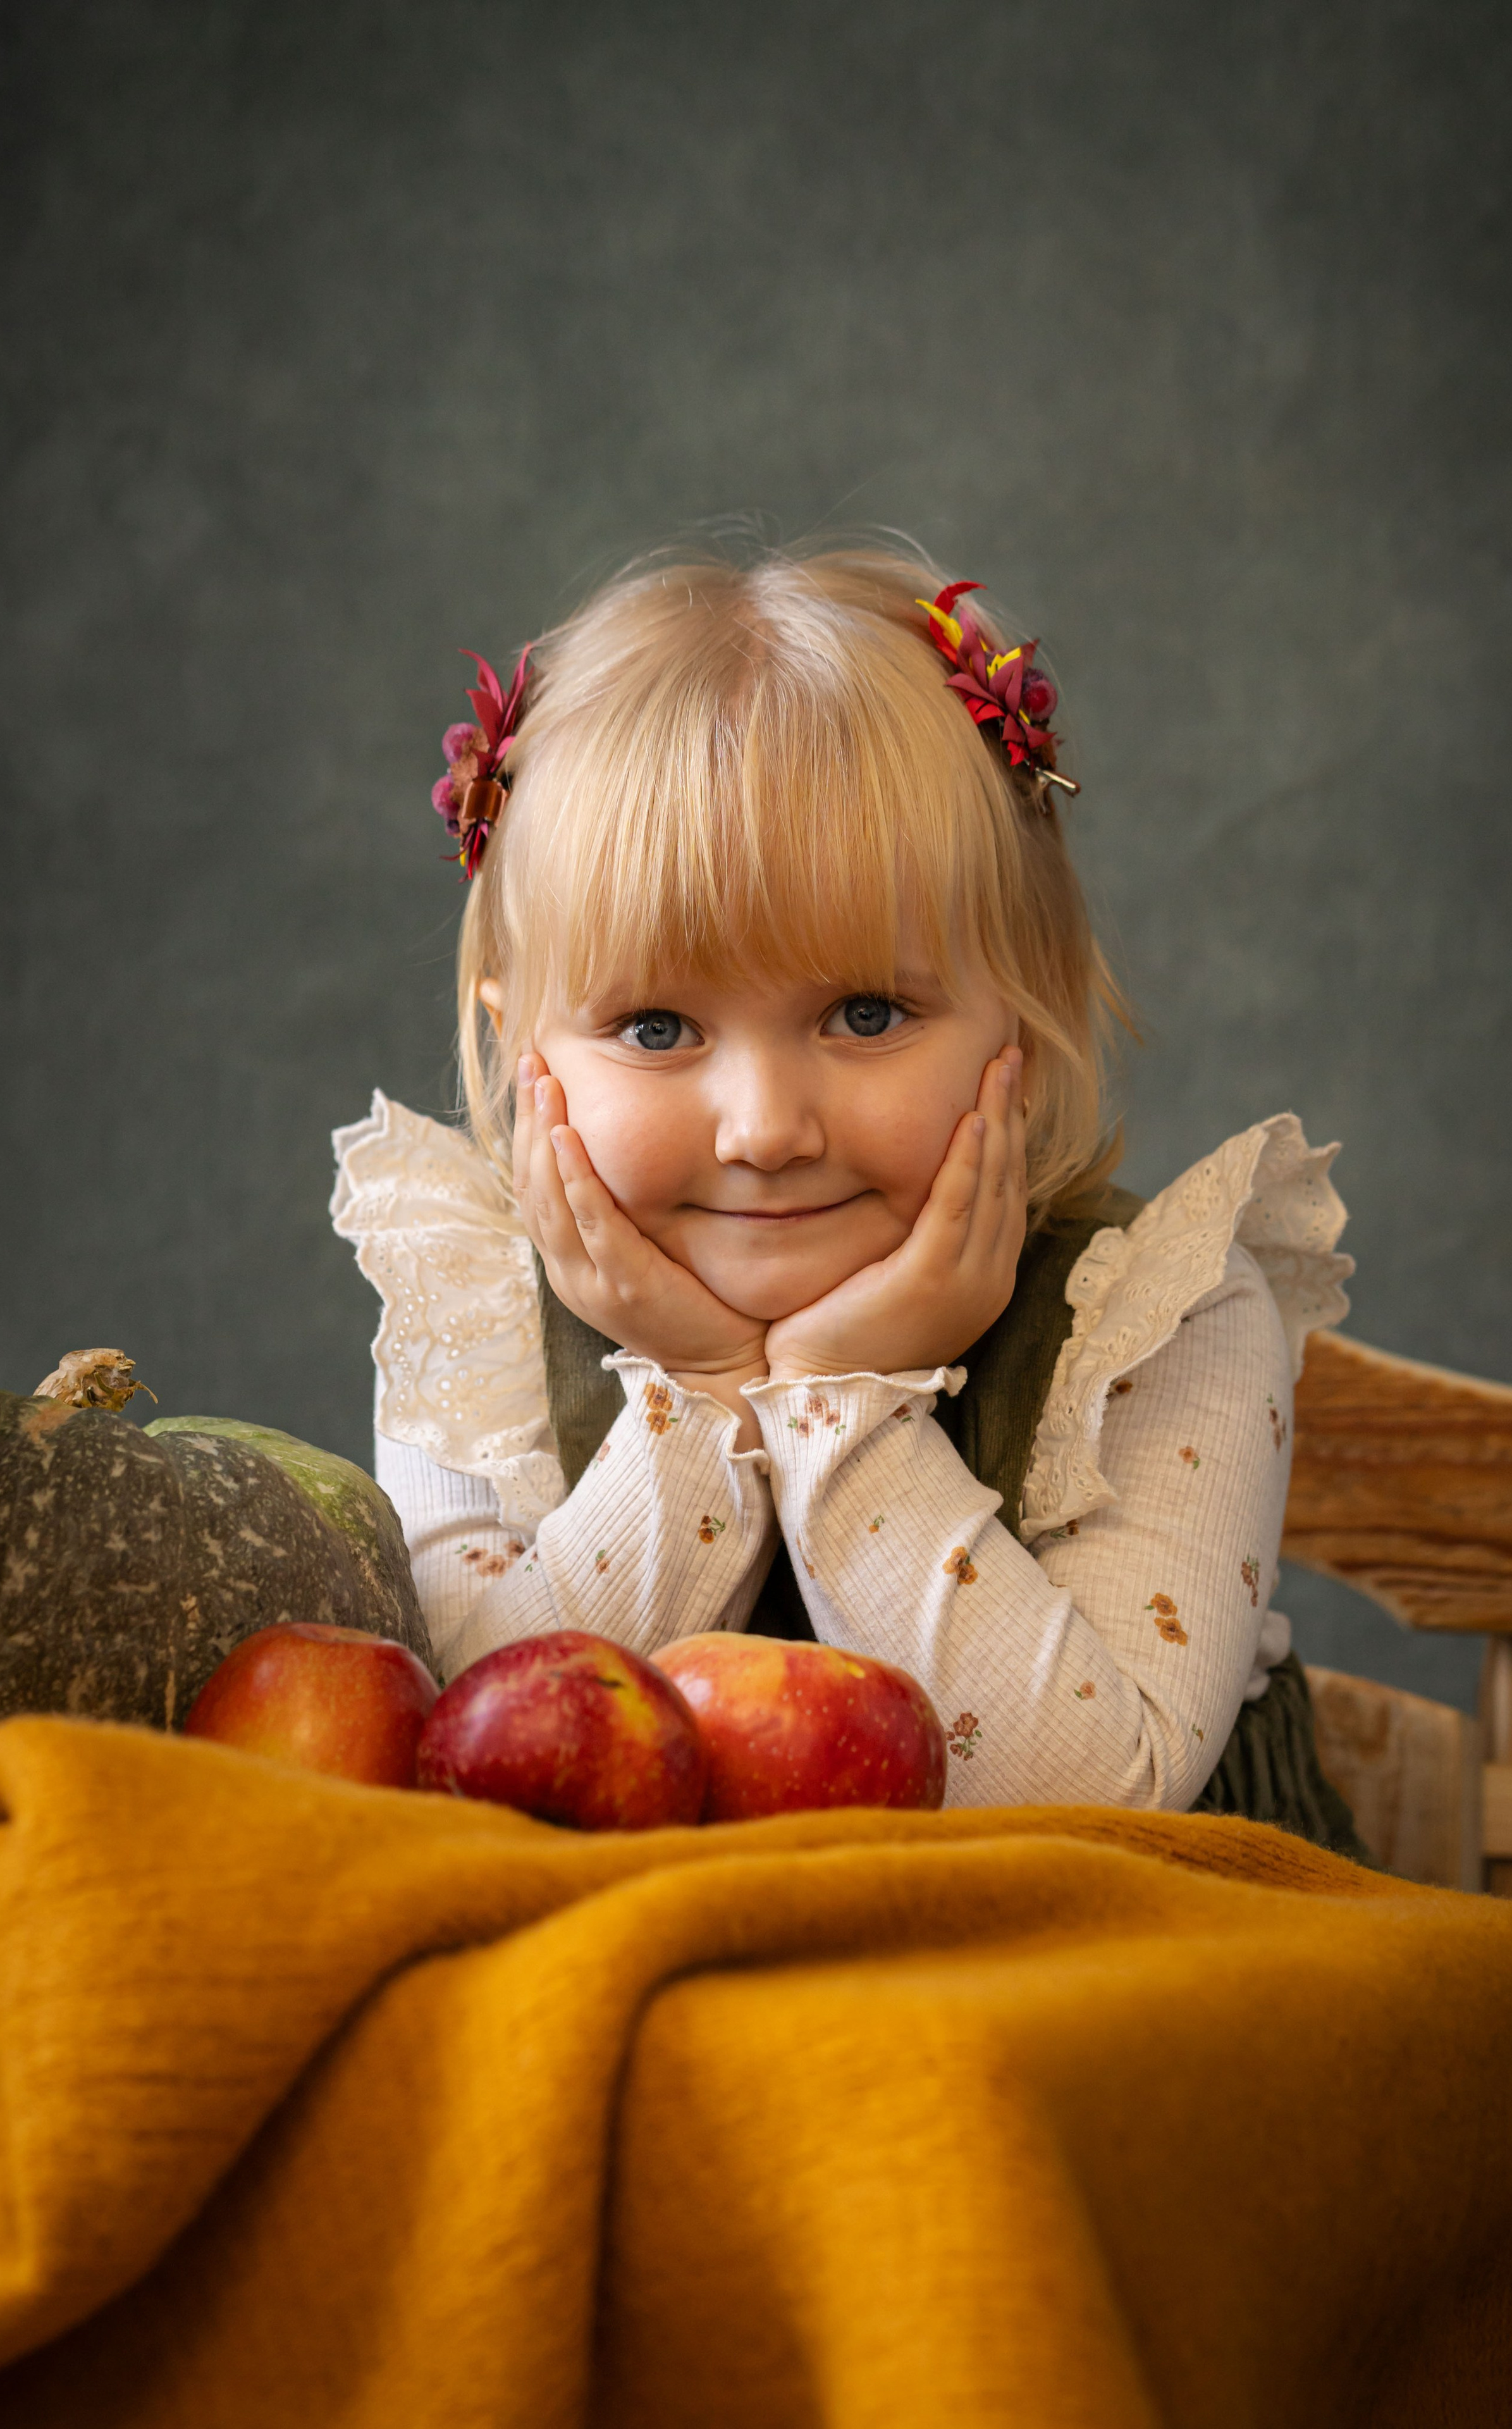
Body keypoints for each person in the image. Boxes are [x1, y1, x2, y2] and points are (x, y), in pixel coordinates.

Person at [332, 539, 1362, 1846]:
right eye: (656, 1030)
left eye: (865, 1015)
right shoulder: (472, 1324)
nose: (765, 1131)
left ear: (1023, 1016)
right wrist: (703, 1389)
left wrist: (837, 1400)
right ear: (520, 1047)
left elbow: (1094, 1800)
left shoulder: (1158, 1320)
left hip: (1114, 1957)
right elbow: (483, 1757)